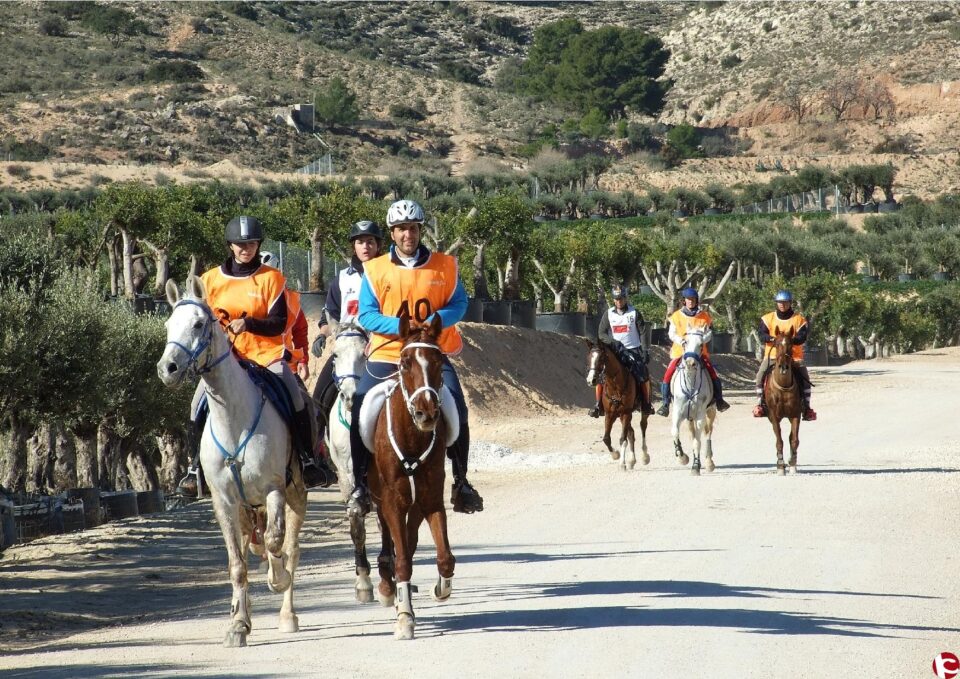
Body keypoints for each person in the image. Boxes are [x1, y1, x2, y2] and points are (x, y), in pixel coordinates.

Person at [346, 199, 484, 517]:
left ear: (420, 230)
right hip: (389, 352)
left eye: (412, 228)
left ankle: (462, 482)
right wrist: (402, 327)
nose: (407, 234)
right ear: (392, 234)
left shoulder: (444, 265)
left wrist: (435, 320)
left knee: (457, 407)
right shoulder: (376, 269)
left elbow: (459, 303)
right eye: (400, 229)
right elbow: (367, 315)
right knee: (361, 404)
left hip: (431, 353)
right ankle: (360, 486)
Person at [176, 216, 327, 496]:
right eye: (241, 244)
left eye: (252, 243)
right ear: (230, 246)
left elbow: (280, 321)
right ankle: (195, 468)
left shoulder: (271, 278)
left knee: (295, 398)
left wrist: (249, 324)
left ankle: (307, 460)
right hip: (223, 360)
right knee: (197, 405)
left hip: (265, 355)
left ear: (259, 245)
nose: (247, 248)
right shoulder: (209, 280)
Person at [311, 221, 383, 448]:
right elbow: (330, 314)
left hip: (380, 345)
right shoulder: (341, 279)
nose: (365, 247)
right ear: (354, 246)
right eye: (360, 242)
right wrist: (322, 335)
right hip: (347, 346)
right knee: (319, 396)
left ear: (378, 245)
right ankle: (317, 451)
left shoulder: (388, 274)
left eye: (370, 242)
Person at [656, 287, 731, 417]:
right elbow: (671, 334)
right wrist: (682, 341)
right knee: (668, 375)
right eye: (688, 299)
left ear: (697, 301)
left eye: (693, 300)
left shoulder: (705, 316)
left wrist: (701, 339)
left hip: (699, 353)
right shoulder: (676, 316)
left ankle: (719, 400)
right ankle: (665, 403)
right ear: (684, 301)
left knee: (713, 374)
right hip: (679, 353)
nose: (691, 302)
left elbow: (709, 333)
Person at [589, 282, 655, 417]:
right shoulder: (608, 314)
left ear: (625, 298)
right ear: (613, 300)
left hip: (632, 349)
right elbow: (601, 333)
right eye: (616, 299)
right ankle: (597, 405)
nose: (619, 301)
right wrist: (613, 342)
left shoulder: (634, 313)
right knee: (601, 375)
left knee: (643, 374)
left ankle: (647, 403)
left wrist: (645, 350)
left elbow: (643, 332)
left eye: (621, 298)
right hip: (615, 351)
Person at [753, 290, 817, 421]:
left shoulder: (799, 320)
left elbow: (802, 337)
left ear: (790, 303)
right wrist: (772, 339)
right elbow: (762, 334)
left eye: (785, 302)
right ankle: (760, 404)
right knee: (759, 377)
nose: (782, 305)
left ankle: (807, 408)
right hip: (772, 356)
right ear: (776, 303)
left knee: (805, 380)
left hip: (794, 357)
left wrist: (789, 340)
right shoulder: (767, 318)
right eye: (780, 302)